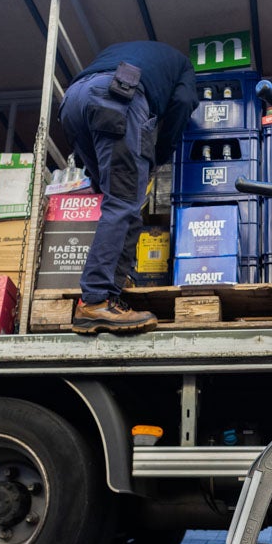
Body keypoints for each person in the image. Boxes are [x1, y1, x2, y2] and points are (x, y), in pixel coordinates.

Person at [58, 41, 197, 334]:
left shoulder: (120, 49)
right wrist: (160, 154)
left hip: (72, 101)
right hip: (118, 98)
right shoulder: (183, 64)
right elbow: (183, 103)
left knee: (113, 197)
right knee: (124, 202)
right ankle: (96, 300)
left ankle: (116, 280)